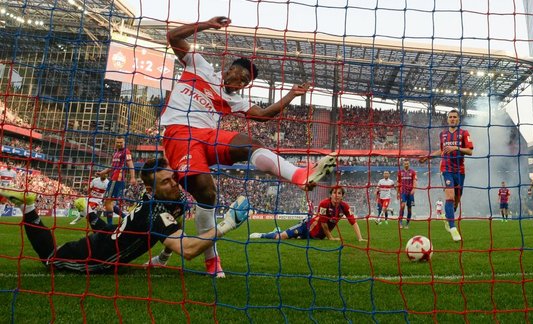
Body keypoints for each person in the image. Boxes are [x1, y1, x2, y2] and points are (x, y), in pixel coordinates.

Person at [159, 16, 336, 277]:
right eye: (239, 76)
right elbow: (173, 36)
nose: (240, 83)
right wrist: (208, 24)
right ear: (228, 69)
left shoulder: (235, 100)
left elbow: (264, 115)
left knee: (249, 144)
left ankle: (298, 174)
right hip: (179, 135)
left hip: (208, 135)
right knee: (206, 195)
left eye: (245, 83)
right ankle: (211, 260)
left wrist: (291, 95)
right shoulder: (199, 66)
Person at [0, 158, 250, 273]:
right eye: (166, 182)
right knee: (50, 260)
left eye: (174, 178)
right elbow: (189, 250)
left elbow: (177, 223)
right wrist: (227, 224)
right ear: (150, 190)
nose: (175, 184)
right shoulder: (153, 213)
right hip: (97, 255)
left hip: (113, 234)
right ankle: (29, 207)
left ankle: (85, 210)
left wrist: (161, 259)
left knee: (108, 228)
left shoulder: (175, 198)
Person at [419, 109, 474, 242]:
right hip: (446, 169)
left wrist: (456, 148)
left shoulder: (464, 133)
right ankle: (453, 228)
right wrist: (428, 157)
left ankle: (448, 217)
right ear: (447, 119)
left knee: (456, 200)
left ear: (458, 119)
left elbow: (470, 151)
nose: (453, 119)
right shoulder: (443, 134)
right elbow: (442, 150)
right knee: (449, 196)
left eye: (455, 117)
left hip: (460, 171)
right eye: (450, 117)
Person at [249, 186, 366, 242]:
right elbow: (324, 224)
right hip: (306, 227)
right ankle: (263, 235)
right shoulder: (324, 203)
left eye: (339, 193)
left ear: (342, 196)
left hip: (316, 237)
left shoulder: (344, 206)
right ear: (330, 195)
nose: (337, 195)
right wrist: (330, 237)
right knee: (281, 237)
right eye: (335, 193)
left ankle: (277, 231)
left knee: (293, 239)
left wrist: (360, 238)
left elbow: (353, 222)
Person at [96, 137, 137, 226]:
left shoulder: (126, 151)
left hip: (117, 180)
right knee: (108, 201)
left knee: (108, 201)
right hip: (113, 179)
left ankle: (110, 225)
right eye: (117, 142)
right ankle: (125, 217)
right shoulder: (116, 153)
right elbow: (111, 167)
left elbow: (130, 164)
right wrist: (102, 172)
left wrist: (133, 177)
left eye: (121, 142)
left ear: (124, 142)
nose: (119, 144)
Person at [397, 160, 417, 229]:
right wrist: (398, 193)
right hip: (403, 192)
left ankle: (407, 224)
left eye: (407, 163)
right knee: (402, 206)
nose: (406, 165)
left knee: (409, 209)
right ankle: (400, 222)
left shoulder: (413, 172)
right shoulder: (400, 172)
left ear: (409, 164)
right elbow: (398, 183)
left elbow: (414, 181)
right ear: (403, 164)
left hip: (410, 192)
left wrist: (414, 189)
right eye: (405, 164)